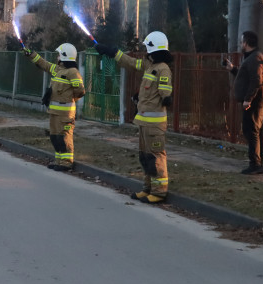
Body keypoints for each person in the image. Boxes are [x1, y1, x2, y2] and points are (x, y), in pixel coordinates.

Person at [98, 31, 174, 203]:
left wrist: (165, 95)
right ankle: (148, 188)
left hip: (155, 124)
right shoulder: (150, 66)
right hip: (144, 121)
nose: (146, 51)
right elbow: (131, 63)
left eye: (148, 48)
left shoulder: (163, 69)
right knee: (145, 156)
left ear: (155, 49)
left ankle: (159, 191)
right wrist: (112, 52)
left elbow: (165, 94)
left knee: (155, 156)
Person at [23, 43, 86, 171]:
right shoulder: (58, 70)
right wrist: (32, 55)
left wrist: (69, 99)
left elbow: (80, 91)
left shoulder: (73, 73)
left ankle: (67, 162)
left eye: (59, 55)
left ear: (64, 56)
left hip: (65, 114)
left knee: (64, 137)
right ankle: (59, 161)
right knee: (55, 137)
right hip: (54, 112)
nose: (57, 57)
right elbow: (44, 64)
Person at [222, 30, 263, 174]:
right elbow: (247, 76)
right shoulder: (251, 57)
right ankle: (257, 162)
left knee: (251, 130)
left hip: (256, 99)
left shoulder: (255, 58)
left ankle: (255, 164)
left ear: (246, 43)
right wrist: (233, 69)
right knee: (255, 130)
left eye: (242, 41)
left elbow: (256, 80)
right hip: (257, 97)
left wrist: (248, 99)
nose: (240, 43)